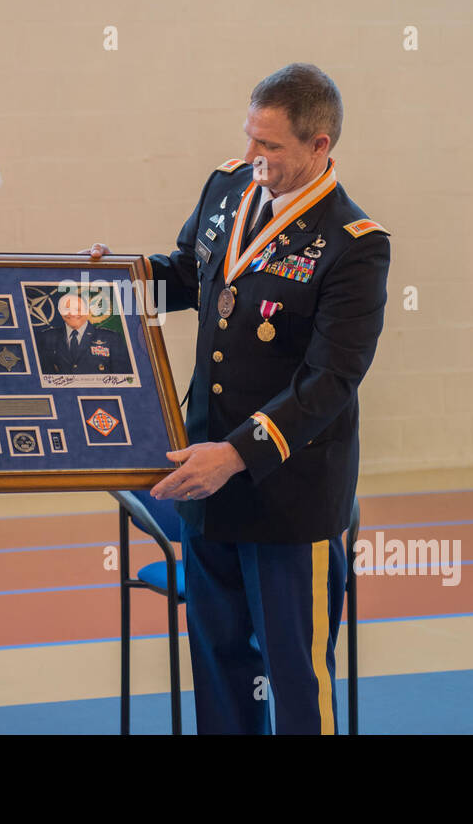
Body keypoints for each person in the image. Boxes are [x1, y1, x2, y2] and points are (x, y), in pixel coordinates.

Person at [86, 63, 390, 734]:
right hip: (205, 477)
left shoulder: (354, 245)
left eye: (272, 147)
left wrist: (237, 453)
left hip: (288, 492)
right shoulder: (229, 188)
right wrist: (115, 281)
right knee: (220, 664)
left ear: (320, 145)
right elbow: (187, 276)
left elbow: (330, 383)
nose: (255, 157)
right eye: (251, 138)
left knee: (294, 673)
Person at [35, 292, 131, 375]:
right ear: (60, 312)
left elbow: (124, 378)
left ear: (87, 311)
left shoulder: (111, 338)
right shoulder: (47, 338)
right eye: (66, 309)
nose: (72, 313)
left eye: (77, 309)